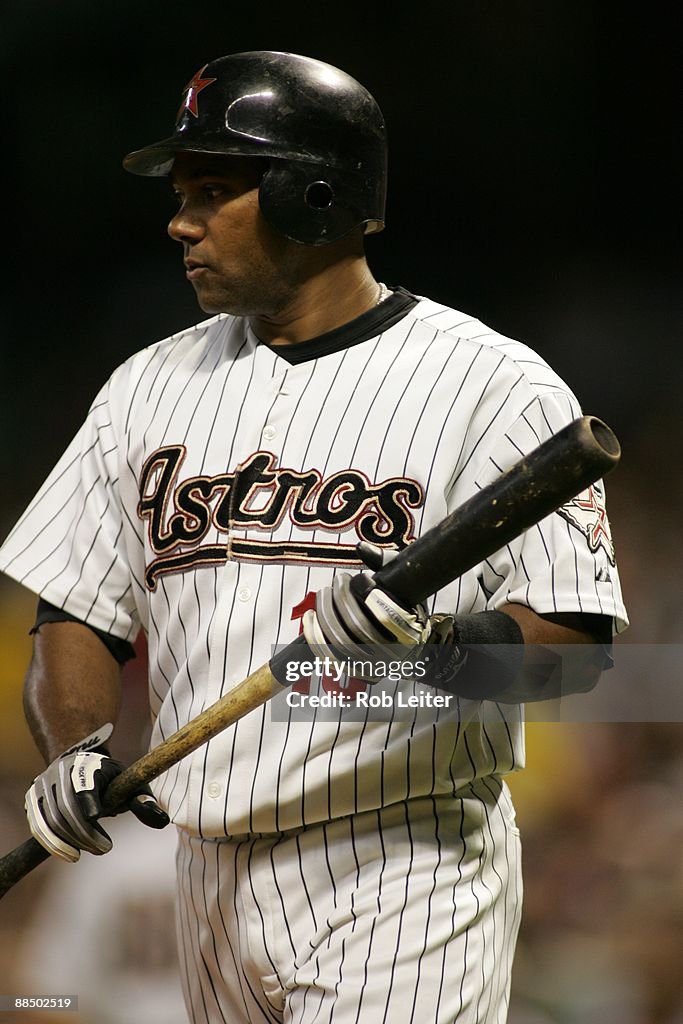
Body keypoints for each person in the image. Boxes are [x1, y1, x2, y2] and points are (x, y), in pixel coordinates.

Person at [0, 50, 627, 1024]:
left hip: (401, 864)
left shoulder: (492, 385)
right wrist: (71, 746)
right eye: (182, 194)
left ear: (313, 195)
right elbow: (74, 602)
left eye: (213, 190)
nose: (180, 221)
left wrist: (433, 656)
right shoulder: (145, 389)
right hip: (204, 870)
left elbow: (572, 654)